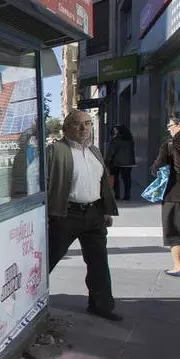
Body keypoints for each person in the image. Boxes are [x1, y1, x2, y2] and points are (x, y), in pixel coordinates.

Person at [47, 110, 122, 321]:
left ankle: (101, 305)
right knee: (48, 259)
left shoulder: (94, 151)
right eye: (78, 124)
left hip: (94, 213)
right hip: (65, 214)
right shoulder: (55, 150)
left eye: (88, 123)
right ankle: (26, 301)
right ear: (66, 128)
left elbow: (101, 182)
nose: (84, 128)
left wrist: (105, 211)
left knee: (98, 262)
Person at [153, 114, 180, 276]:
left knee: (175, 233)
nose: (169, 129)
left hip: (174, 195)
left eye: (170, 126)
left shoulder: (169, 146)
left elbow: (157, 167)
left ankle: (178, 266)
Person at [106, 125, 136, 201]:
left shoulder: (115, 140)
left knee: (116, 179)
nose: (114, 131)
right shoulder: (130, 140)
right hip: (128, 163)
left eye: (115, 130)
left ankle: (117, 195)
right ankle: (127, 195)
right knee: (127, 179)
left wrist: (107, 161)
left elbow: (111, 152)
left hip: (116, 162)